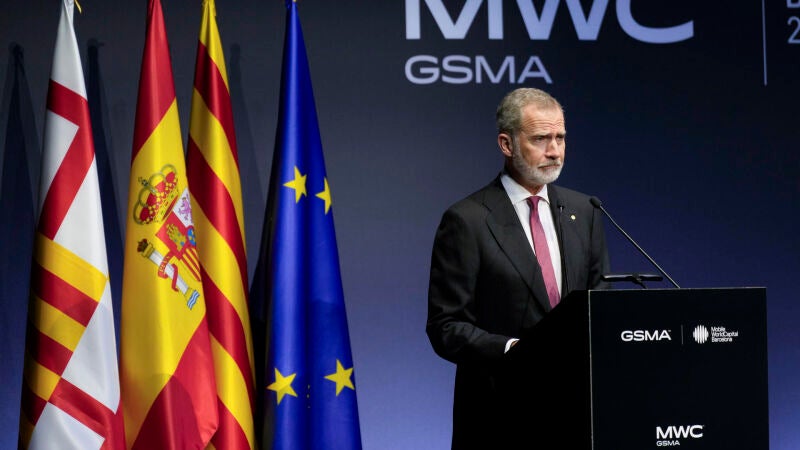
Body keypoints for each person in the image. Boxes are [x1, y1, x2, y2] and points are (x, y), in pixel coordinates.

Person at [426, 87, 610, 449]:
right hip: (500, 417)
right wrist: (513, 350)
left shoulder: (584, 211)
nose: (554, 150)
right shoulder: (468, 220)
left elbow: (598, 304)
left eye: (560, 137)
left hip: (576, 417)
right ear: (506, 144)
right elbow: (446, 326)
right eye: (540, 139)